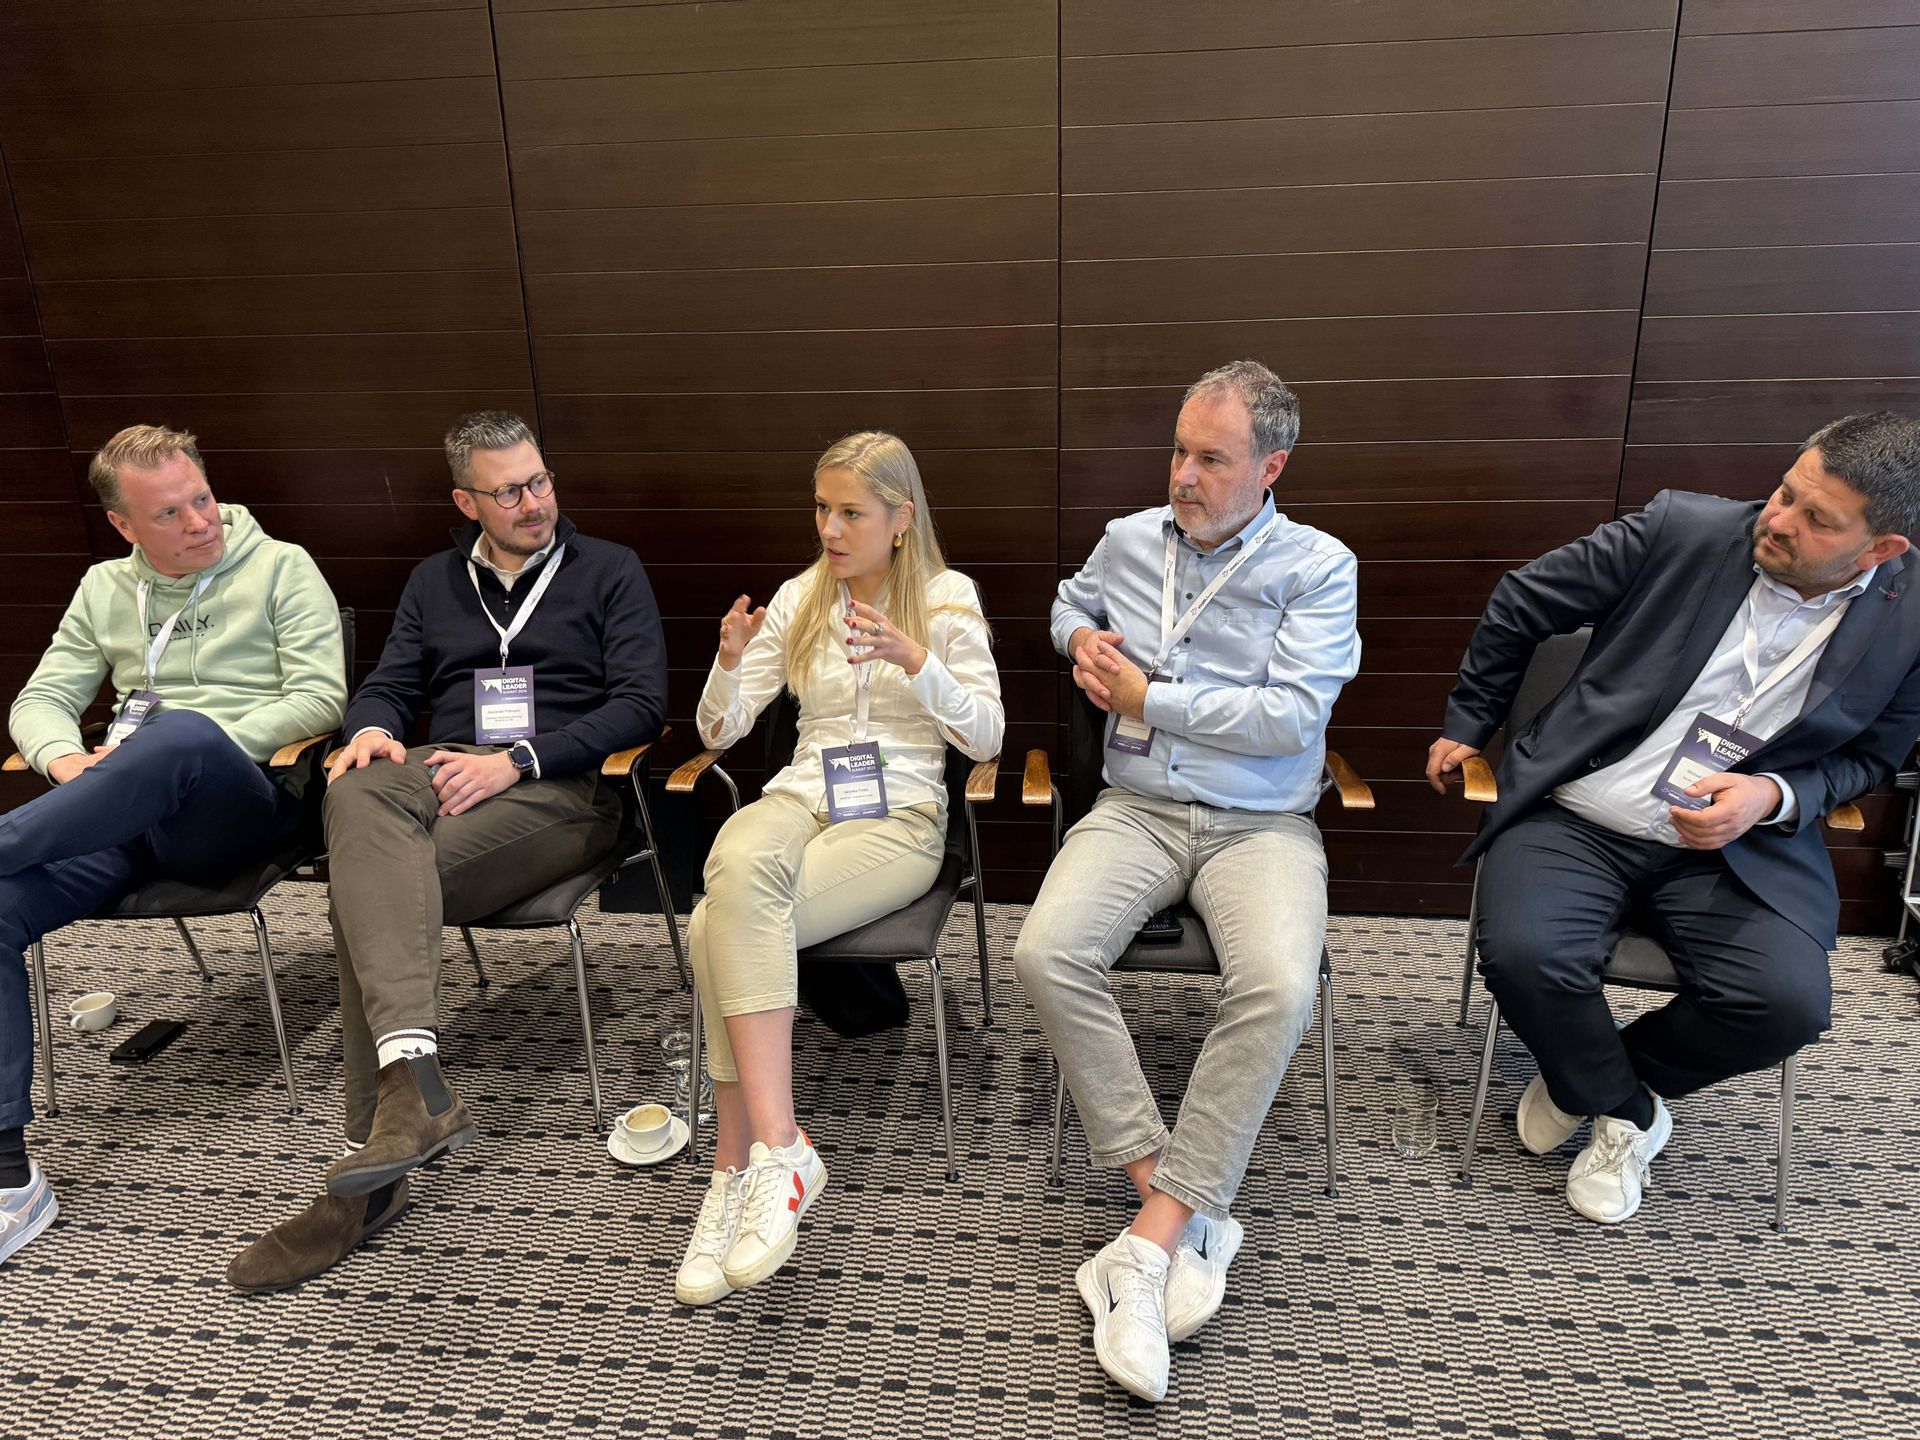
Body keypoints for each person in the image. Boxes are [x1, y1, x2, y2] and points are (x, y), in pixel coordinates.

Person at [1426, 411, 1920, 1226]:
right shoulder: (1681, 528)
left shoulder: (1910, 618)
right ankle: (1628, 1110)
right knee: (1527, 956)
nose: (1779, 520)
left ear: (1881, 549)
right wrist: (1470, 720)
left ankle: (1588, 1076)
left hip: (1734, 847)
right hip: (1581, 813)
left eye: (1817, 519)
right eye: (1785, 492)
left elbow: (1871, 759)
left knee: (1786, 1005)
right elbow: (1524, 598)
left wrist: (1771, 797)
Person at [227, 411, 667, 1291]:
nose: (533, 503)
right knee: (355, 783)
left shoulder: (609, 568)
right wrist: (371, 729)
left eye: (539, 481)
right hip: (440, 774)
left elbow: (641, 703)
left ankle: (369, 1173)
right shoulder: (434, 580)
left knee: (367, 893)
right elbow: (389, 683)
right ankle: (412, 1095)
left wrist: (519, 760)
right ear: (467, 502)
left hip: (561, 790)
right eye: (508, 492)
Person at [1013, 360, 1359, 1402]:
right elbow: (1066, 605)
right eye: (1178, 451)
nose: (1183, 476)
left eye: (1212, 459)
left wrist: (1150, 697)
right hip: (1138, 810)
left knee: (1280, 988)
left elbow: (1292, 717)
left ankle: (1144, 1248)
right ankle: (1177, 1204)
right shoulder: (1128, 540)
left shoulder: (1318, 566)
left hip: (1263, 823)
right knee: (1046, 953)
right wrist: (1081, 636)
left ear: (1271, 467)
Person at [2, 425, 346, 1265]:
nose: (200, 522)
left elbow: (319, 698)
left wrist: (187, 746)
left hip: (241, 808)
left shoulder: (280, 566)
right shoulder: (104, 588)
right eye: (170, 513)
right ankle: (9, 1175)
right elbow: (40, 700)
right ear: (124, 525)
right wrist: (70, 762)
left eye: (202, 498)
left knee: (182, 735)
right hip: (123, 815)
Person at [673, 431, 1002, 1307]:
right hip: (802, 795)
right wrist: (730, 661)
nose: (829, 528)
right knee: (735, 852)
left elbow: (986, 738)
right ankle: (780, 1151)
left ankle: (732, 1165)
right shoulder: (800, 596)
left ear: (901, 518)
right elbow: (718, 731)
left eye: (851, 512)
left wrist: (916, 661)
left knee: (713, 925)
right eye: (821, 508)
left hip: (899, 817)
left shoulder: (947, 597)